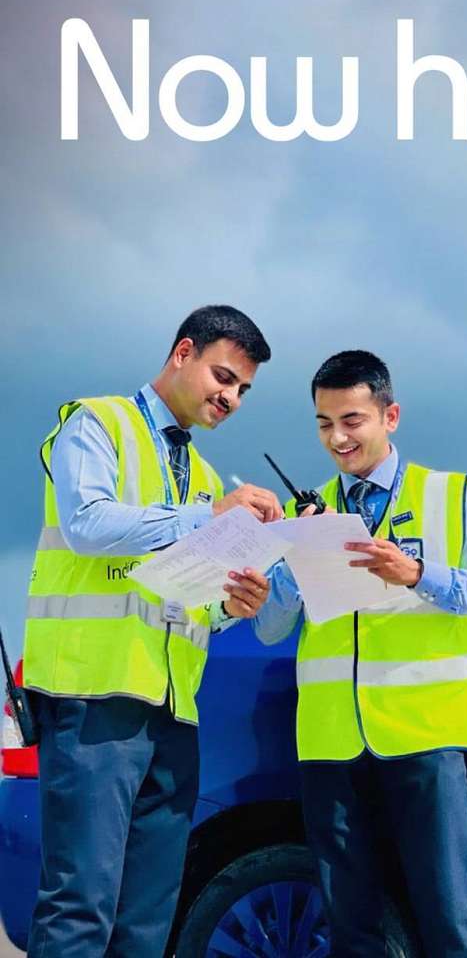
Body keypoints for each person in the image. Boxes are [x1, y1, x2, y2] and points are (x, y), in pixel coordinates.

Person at [23, 304, 283, 958]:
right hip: (95, 697)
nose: (231, 398)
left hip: (172, 712)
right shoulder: (97, 423)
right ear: (183, 353)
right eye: (223, 376)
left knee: (146, 925)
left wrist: (234, 604)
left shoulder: (204, 478)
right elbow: (87, 524)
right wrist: (207, 517)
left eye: (243, 390)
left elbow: (190, 599)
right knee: (80, 907)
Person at [255, 350, 467, 958]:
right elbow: (270, 629)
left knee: (449, 920)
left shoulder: (450, 495)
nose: (337, 438)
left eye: (352, 420)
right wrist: (285, 574)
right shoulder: (303, 512)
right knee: (351, 927)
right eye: (324, 424)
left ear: (389, 416)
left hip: (426, 735)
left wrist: (417, 573)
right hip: (331, 743)